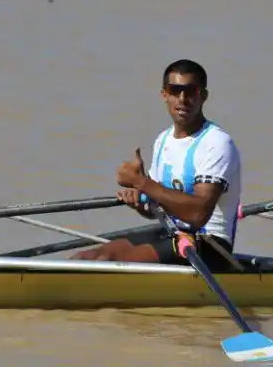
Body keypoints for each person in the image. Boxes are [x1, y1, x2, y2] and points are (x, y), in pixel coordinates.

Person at [71, 59, 242, 271]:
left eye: (191, 91)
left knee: (109, 263)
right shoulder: (163, 140)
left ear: (203, 96)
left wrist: (142, 182)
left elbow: (198, 214)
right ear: (164, 95)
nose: (182, 99)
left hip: (211, 246)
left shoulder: (216, 143)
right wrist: (141, 202)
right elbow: (158, 208)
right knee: (87, 257)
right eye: (175, 90)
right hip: (172, 232)